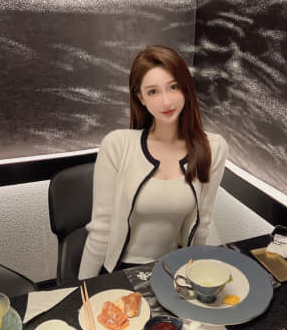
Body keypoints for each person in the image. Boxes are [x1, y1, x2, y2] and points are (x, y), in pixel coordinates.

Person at [78, 45, 228, 280]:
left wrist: (198, 278)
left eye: (173, 87)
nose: (166, 101)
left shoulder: (214, 148)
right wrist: (82, 289)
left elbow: (202, 224)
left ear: (186, 88)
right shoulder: (117, 145)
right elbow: (101, 229)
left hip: (175, 270)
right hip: (120, 271)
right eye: (153, 92)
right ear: (141, 98)